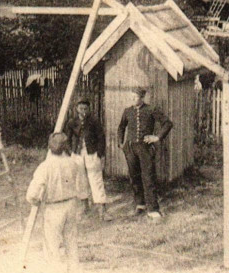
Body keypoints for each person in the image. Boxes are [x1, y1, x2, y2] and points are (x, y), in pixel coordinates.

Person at [25, 132, 82, 273]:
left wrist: (35, 201)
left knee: (52, 244)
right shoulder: (73, 163)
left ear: (50, 147)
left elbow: (32, 194)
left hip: (54, 208)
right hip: (71, 204)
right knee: (71, 241)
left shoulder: (45, 167)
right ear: (65, 147)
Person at [117, 87, 173, 221]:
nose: (132, 99)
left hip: (145, 148)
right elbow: (121, 127)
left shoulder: (151, 110)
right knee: (134, 177)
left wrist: (157, 137)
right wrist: (121, 143)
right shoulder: (127, 111)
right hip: (130, 149)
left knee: (148, 177)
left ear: (142, 98)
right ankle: (140, 204)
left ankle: (153, 209)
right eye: (131, 96)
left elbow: (167, 123)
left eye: (135, 97)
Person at [65, 97, 111, 221]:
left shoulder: (94, 121)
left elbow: (101, 138)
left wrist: (99, 154)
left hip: (92, 154)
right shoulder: (72, 122)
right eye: (81, 108)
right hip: (77, 155)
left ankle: (102, 210)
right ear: (76, 109)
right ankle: (84, 207)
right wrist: (70, 153)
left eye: (85, 108)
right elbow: (67, 139)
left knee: (96, 180)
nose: (83, 111)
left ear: (88, 109)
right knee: (80, 180)